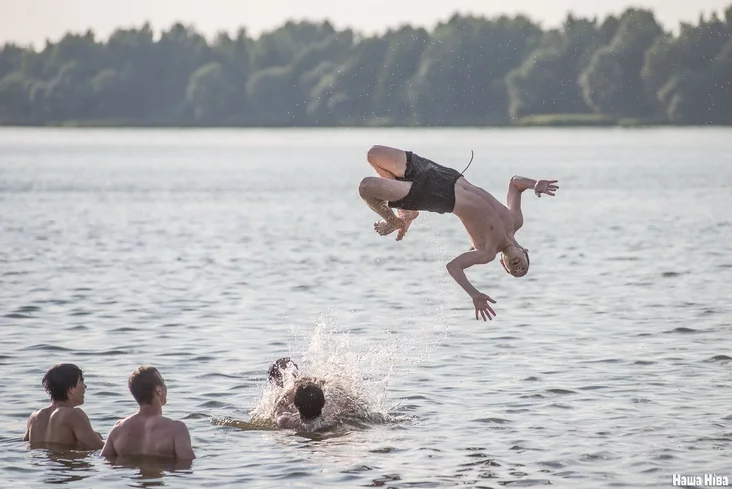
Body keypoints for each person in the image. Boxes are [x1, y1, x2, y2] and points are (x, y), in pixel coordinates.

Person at [357, 145, 559, 320]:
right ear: (525, 251)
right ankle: (407, 212)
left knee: (366, 187)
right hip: (446, 175)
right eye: (523, 267)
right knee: (373, 154)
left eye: (514, 271)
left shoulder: (486, 252)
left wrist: (474, 294)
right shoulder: (516, 220)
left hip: (436, 195)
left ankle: (393, 220)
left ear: (502, 263)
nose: (518, 268)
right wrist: (535, 184)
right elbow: (515, 184)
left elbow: (453, 267)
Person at [101, 366, 195, 460]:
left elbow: (104, 461)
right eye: (163, 382)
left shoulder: (118, 429)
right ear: (158, 390)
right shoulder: (176, 429)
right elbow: (187, 466)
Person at [24, 363, 104, 449]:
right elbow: (101, 448)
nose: (85, 386)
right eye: (81, 382)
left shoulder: (34, 417)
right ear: (71, 389)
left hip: (41, 461)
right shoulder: (73, 415)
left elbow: (26, 444)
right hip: (66, 462)